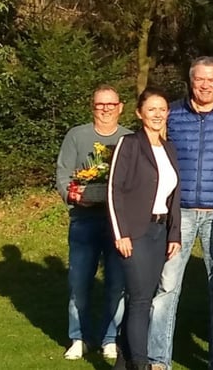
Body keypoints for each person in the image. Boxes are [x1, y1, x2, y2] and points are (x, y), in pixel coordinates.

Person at [149, 57, 213, 370]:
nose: (205, 85)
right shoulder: (173, 113)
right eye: (199, 80)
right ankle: (157, 360)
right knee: (166, 286)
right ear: (191, 81)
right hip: (179, 213)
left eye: (211, 80)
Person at [108, 88, 182, 370]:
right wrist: (120, 233)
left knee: (144, 297)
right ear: (139, 113)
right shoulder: (128, 144)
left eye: (162, 109)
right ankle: (140, 364)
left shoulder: (169, 148)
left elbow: (175, 194)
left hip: (159, 233)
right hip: (134, 233)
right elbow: (114, 191)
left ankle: (123, 362)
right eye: (151, 109)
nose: (158, 114)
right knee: (139, 299)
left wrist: (174, 233)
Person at [56, 84, 130, 360]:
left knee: (116, 284)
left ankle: (110, 338)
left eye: (111, 105)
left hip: (118, 225)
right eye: (100, 105)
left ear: (120, 107)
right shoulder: (77, 135)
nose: (106, 109)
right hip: (84, 220)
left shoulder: (129, 138)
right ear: (92, 106)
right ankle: (79, 337)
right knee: (79, 282)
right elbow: (63, 174)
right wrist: (74, 196)